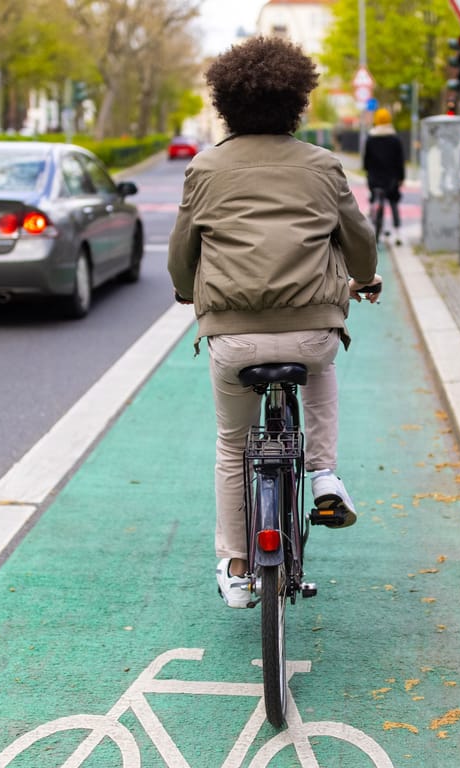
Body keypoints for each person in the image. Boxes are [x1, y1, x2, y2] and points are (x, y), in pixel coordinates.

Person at [167, 36, 381, 609]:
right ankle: (327, 475)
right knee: (321, 364)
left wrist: (187, 293)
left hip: (232, 337)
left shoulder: (205, 169)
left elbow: (181, 254)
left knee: (233, 444)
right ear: (298, 101)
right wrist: (363, 277)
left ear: (225, 103)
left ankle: (238, 566)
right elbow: (359, 244)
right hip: (311, 330)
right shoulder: (322, 166)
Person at [362, 108, 405, 245]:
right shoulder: (395, 139)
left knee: (376, 201)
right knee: (393, 203)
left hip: (375, 178)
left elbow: (366, 161)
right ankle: (397, 233)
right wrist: (401, 177)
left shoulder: (370, 138)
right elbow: (400, 160)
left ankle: (377, 232)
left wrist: (368, 173)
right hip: (391, 179)